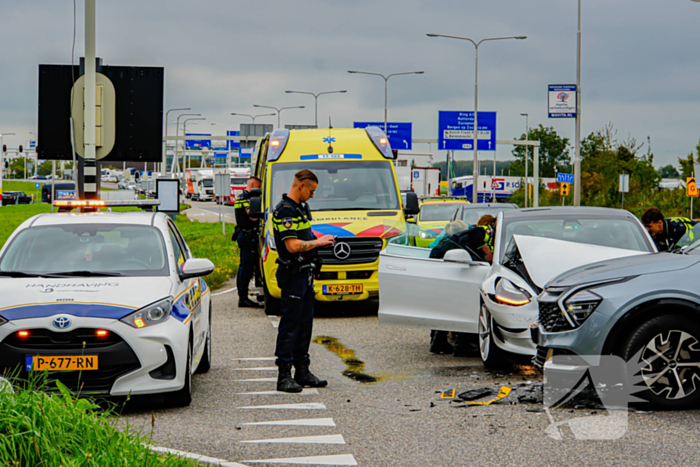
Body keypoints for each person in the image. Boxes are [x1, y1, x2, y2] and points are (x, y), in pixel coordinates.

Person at [272, 169, 335, 393]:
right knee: (290, 326)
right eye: (312, 191)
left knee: (305, 326)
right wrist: (318, 244)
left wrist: (319, 240)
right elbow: (292, 246)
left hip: (306, 275)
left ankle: (302, 370)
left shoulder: (300, 209)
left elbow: (304, 238)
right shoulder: (285, 211)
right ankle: (283, 376)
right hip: (293, 276)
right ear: (301, 186)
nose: (313, 196)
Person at [428, 215, 497, 357]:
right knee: (464, 303)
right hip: (450, 274)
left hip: (439, 273)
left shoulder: (446, 241)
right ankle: (463, 344)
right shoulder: (471, 236)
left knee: (447, 305)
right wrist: (487, 252)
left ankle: (438, 341)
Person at [234, 176, 263, 308]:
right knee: (247, 268)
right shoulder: (246, 198)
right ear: (252, 185)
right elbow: (252, 216)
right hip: (247, 236)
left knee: (245, 267)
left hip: (244, 235)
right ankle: (243, 298)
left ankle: (243, 295)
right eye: (258, 187)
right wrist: (264, 214)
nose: (260, 190)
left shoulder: (241, 197)